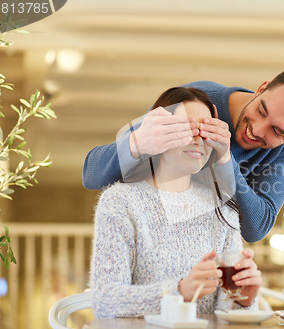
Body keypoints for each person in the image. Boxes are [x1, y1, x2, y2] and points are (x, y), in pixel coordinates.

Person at [83, 69, 284, 243]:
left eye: (277, 131)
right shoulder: (196, 102)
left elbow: (256, 228)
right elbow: (91, 175)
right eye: (261, 110)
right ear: (261, 89)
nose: (256, 130)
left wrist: (225, 160)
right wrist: (137, 143)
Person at [90, 87, 262, 319]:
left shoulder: (223, 211)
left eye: (205, 129)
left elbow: (226, 313)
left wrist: (244, 299)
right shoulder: (120, 202)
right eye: (185, 128)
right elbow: (105, 301)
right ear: (157, 132)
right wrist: (179, 291)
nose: (198, 138)